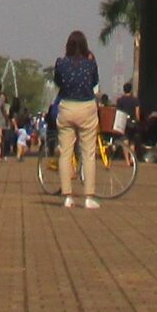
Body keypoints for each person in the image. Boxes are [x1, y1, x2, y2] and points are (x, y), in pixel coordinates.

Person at [51, 30, 102, 209]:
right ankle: (88, 196)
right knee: (88, 153)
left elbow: (57, 82)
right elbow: (95, 82)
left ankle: (67, 196)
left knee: (65, 153)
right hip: (86, 107)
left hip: (67, 107)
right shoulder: (90, 64)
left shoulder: (61, 63)